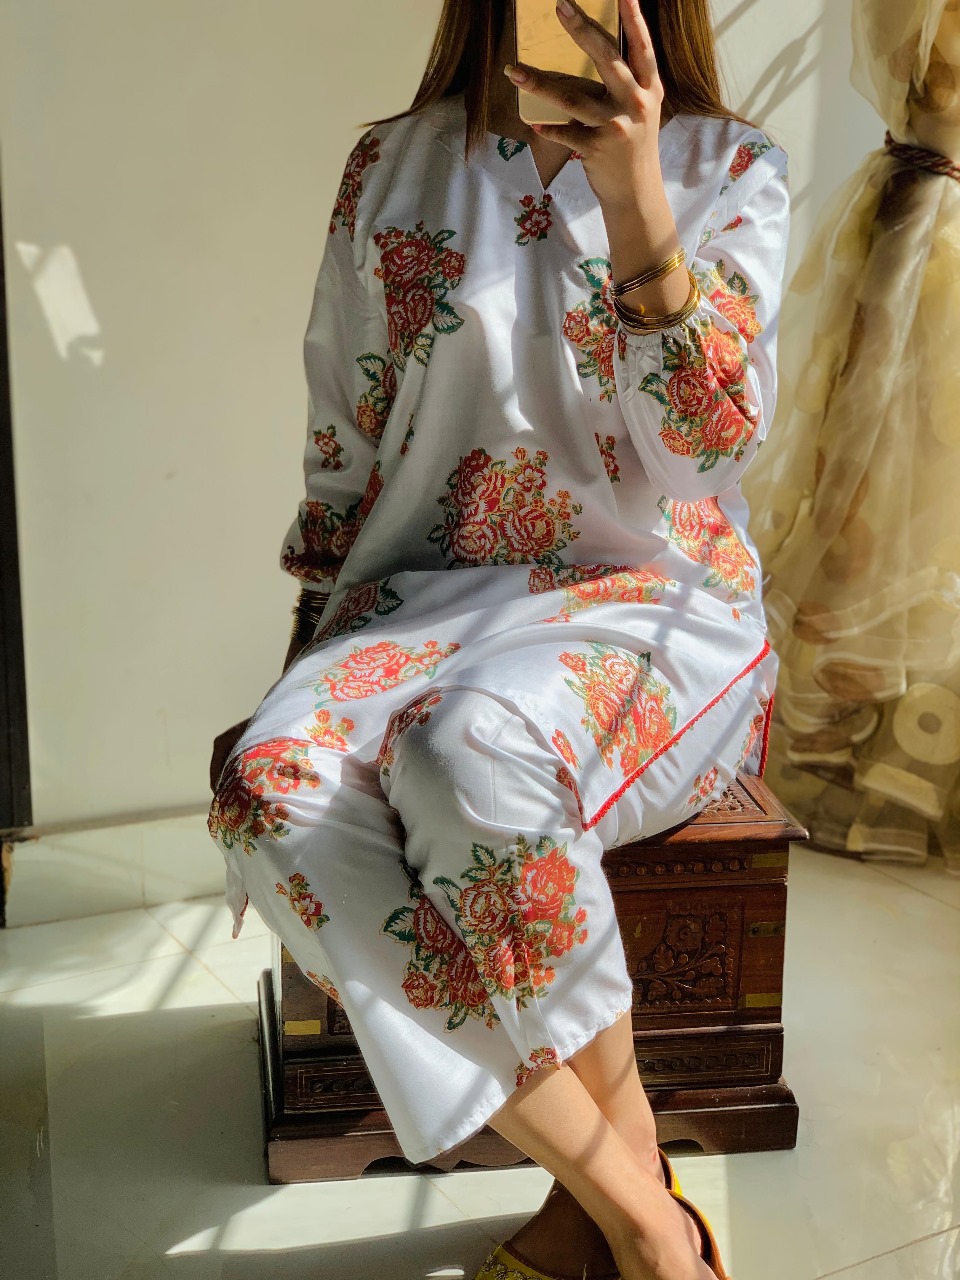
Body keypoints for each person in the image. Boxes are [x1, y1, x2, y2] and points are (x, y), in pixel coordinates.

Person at [207, 1, 789, 1276]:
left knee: (470, 753)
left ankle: (610, 1223)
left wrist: (636, 197)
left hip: (651, 600)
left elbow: (707, 451)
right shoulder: (391, 166)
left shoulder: (731, 169)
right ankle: (639, 1204)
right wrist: (305, 655)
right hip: (419, 603)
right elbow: (344, 440)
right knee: (268, 785)